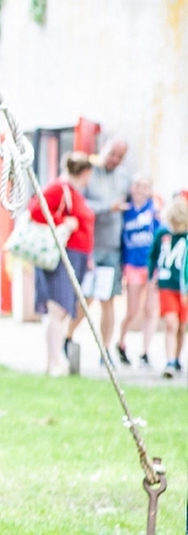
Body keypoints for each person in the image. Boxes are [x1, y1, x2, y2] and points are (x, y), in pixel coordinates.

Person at [30, 151, 94, 377]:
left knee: (63, 310)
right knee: (57, 309)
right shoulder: (60, 188)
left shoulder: (75, 192)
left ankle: (55, 360)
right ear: (85, 172)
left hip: (77, 255)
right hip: (61, 256)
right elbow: (36, 210)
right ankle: (53, 361)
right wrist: (63, 222)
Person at [71, 138, 130, 363]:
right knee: (85, 297)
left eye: (120, 156)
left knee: (108, 300)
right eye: (112, 153)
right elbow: (81, 205)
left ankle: (105, 351)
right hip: (91, 247)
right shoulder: (89, 173)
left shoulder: (124, 178)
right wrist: (108, 208)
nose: (115, 159)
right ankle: (67, 337)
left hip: (112, 249)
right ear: (103, 149)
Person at [116, 174, 159, 366]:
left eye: (144, 186)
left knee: (150, 309)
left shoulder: (155, 211)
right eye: (136, 185)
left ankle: (145, 351)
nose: (139, 190)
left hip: (151, 266)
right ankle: (121, 342)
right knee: (132, 310)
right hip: (132, 265)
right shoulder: (125, 210)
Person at [149, 196, 188, 378]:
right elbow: (152, 255)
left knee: (181, 326)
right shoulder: (162, 234)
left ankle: (177, 358)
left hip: (183, 288)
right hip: (166, 285)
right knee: (171, 324)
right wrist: (152, 275)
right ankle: (169, 361)